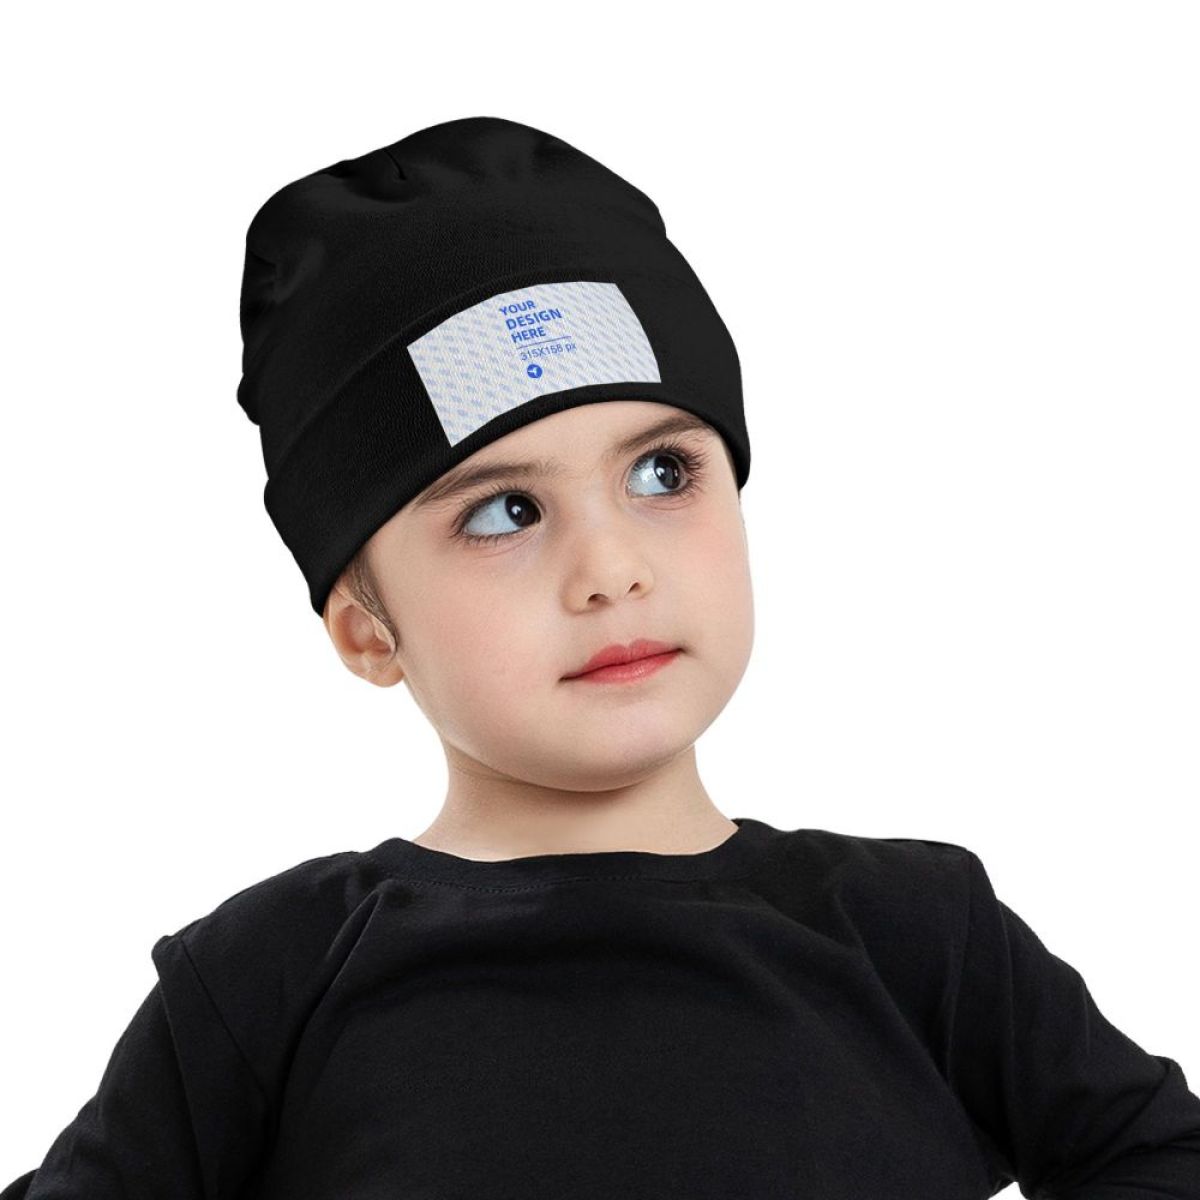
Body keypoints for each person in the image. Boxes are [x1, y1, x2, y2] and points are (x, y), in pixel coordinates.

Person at [5, 115, 1199, 1200]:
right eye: (505, 512)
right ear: (369, 628)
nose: (612, 568)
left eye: (662, 472)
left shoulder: (919, 936)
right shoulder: (267, 981)